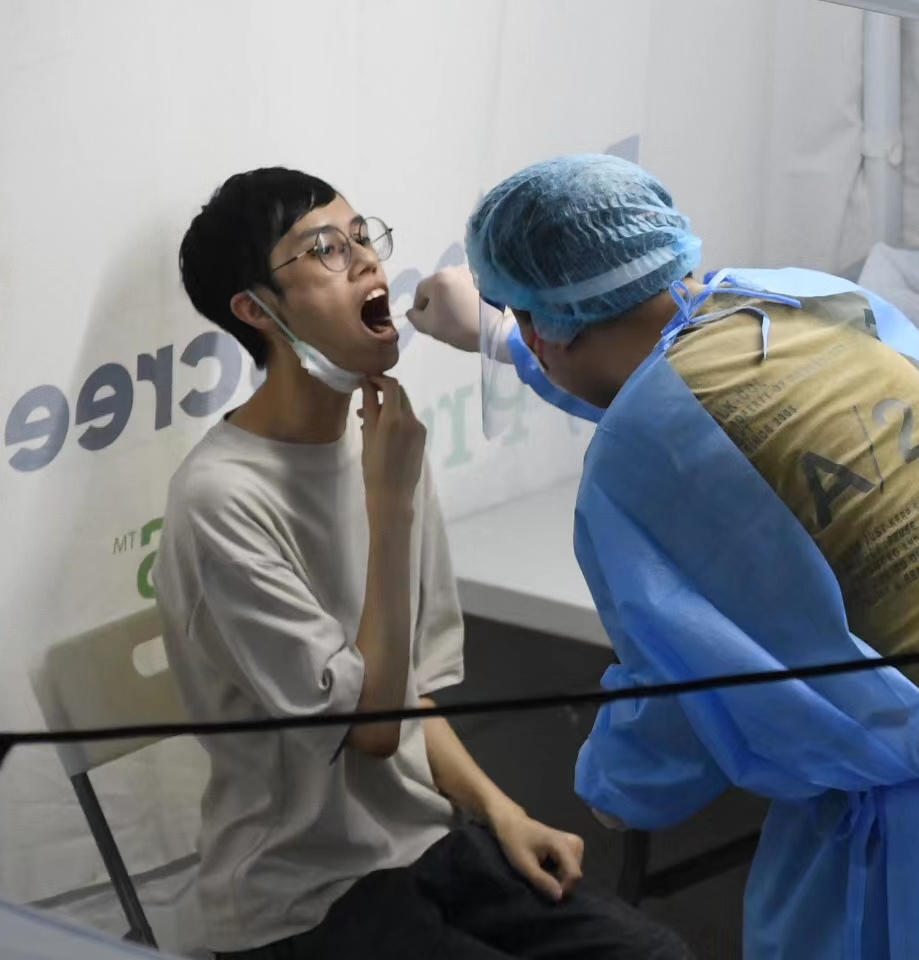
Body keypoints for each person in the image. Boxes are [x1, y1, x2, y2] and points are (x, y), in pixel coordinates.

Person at [406, 154, 919, 960]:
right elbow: (693, 400)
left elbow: (688, 688)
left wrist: (615, 788)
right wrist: (497, 335)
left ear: (543, 327)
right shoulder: (806, 304)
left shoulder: (637, 457)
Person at [152, 167, 694, 960]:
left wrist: (503, 812)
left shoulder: (380, 447)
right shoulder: (222, 499)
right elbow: (371, 731)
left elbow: (406, 692)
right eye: (325, 249)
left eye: (362, 236)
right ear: (255, 310)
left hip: (427, 847)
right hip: (301, 900)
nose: (366, 261)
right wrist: (391, 504)